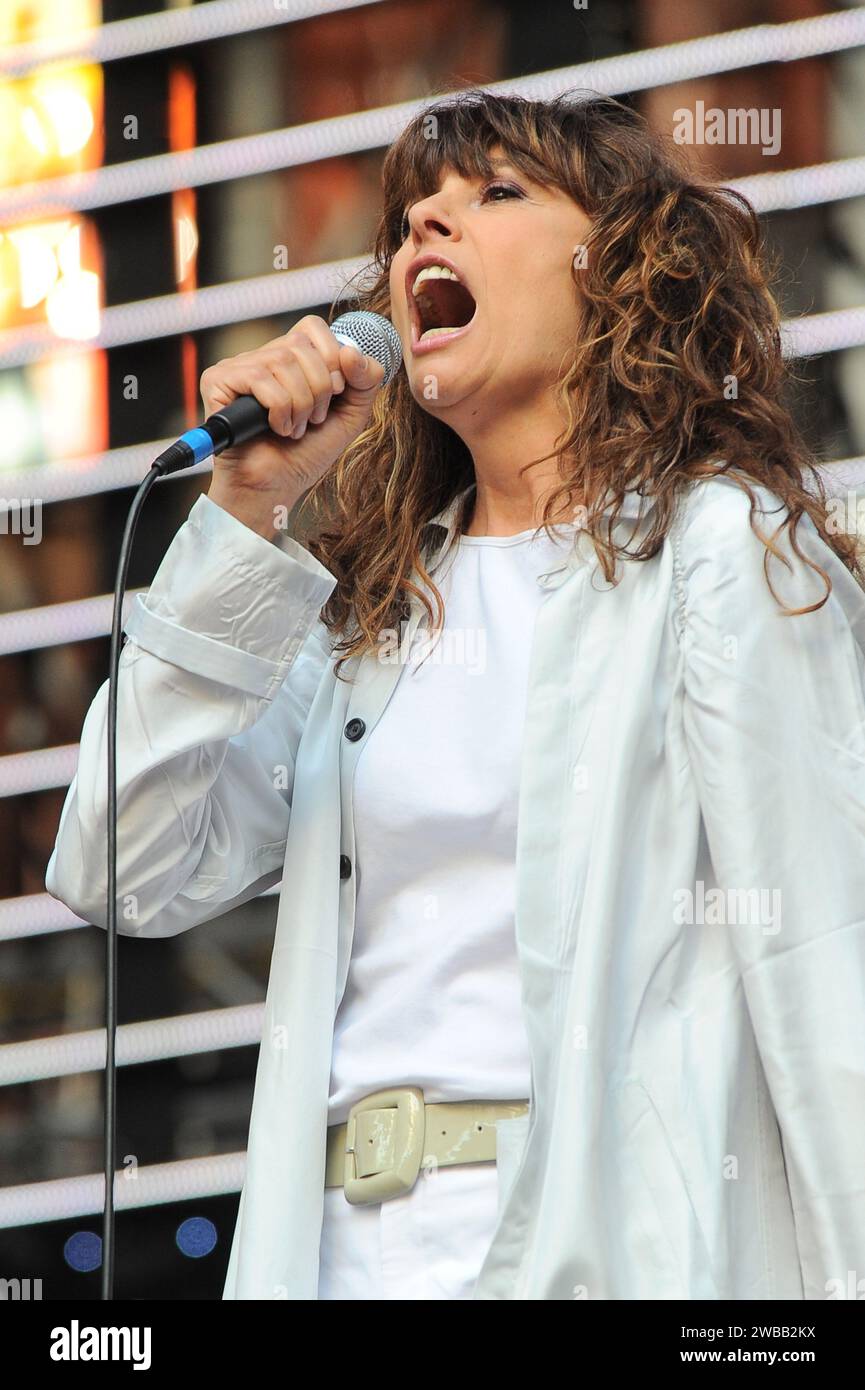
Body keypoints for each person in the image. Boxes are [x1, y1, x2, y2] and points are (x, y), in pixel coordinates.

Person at [46, 89, 865, 1301]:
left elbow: (822, 971)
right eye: (412, 213)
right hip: (334, 1254)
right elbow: (119, 864)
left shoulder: (717, 554)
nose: (427, 222)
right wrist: (242, 513)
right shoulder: (364, 618)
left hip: (600, 1251)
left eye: (495, 194)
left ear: (620, 268)